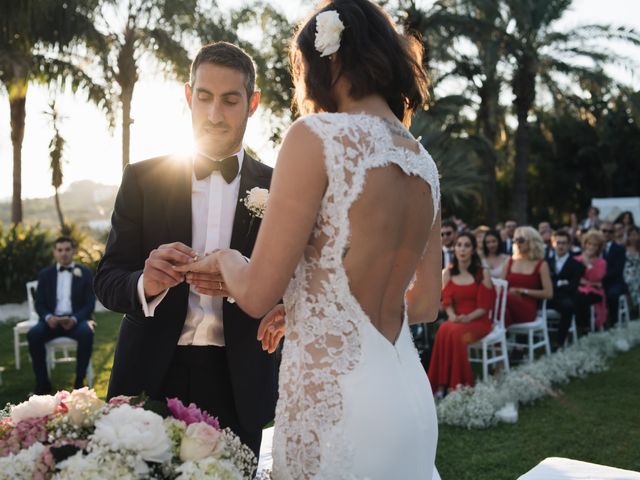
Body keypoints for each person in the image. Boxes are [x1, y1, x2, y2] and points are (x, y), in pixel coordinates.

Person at [175, 1, 442, 478]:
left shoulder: (316, 136)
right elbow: (423, 305)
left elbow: (255, 293)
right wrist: (312, 304)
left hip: (335, 403)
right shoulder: (423, 162)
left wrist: (230, 259)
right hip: (408, 396)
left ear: (329, 60)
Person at [93, 42, 277, 458]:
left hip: (239, 381)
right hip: (149, 374)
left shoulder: (282, 186)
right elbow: (107, 279)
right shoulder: (143, 178)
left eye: (230, 101)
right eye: (204, 98)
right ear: (187, 96)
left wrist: (248, 279)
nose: (214, 114)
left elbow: (297, 288)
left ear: (253, 103)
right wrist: (144, 282)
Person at [428, 232, 494, 396]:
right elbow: (447, 301)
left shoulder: (482, 273)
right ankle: (441, 384)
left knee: (454, 332)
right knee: (444, 328)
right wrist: (451, 315)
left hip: (479, 321)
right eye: (459, 245)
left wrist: (468, 317)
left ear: (473, 250)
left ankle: (457, 387)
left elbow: (485, 306)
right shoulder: (448, 273)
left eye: (467, 245)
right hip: (456, 320)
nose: (462, 249)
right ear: (454, 249)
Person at [28, 236, 95, 394]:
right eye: (60, 250)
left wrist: (74, 319)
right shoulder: (45, 274)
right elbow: (39, 303)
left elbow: (89, 304)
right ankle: (43, 384)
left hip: (75, 322)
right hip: (51, 321)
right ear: (54, 252)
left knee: (87, 333)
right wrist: (48, 317)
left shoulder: (84, 273)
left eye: (67, 249)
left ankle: (79, 382)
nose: (63, 253)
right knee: (33, 335)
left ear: (73, 251)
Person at [501, 226, 553, 327]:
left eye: (521, 240)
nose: (517, 243)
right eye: (515, 240)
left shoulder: (541, 265)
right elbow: (500, 287)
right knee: (502, 314)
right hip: (508, 306)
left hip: (527, 308)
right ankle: (498, 342)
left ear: (532, 242)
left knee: (504, 298)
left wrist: (523, 291)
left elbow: (548, 293)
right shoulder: (510, 261)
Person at [547, 230, 585, 348]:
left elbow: (572, 286)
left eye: (564, 243)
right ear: (553, 244)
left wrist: (555, 284)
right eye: (558, 243)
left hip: (566, 297)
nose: (561, 246)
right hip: (549, 297)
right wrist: (560, 283)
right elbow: (543, 283)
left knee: (568, 307)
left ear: (569, 245)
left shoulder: (576, 264)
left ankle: (559, 341)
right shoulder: (546, 263)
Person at [575, 230, 607, 331]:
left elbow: (596, 277)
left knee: (583, 298)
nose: (592, 247)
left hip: (594, 291)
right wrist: (591, 283)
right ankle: (580, 325)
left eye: (595, 245)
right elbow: (575, 278)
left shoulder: (602, 262)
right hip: (578, 289)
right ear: (585, 244)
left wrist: (588, 263)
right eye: (589, 244)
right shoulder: (576, 259)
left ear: (599, 247)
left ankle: (585, 326)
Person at [600, 222, 627, 325]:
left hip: (614, 282)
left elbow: (617, 270)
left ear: (614, 233)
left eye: (610, 231)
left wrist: (600, 278)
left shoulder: (619, 249)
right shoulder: (594, 248)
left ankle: (614, 322)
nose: (607, 234)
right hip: (596, 282)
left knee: (612, 294)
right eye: (604, 231)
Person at [623, 226, 640, 311]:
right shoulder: (623, 249)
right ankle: (635, 305)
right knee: (631, 280)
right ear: (628, 237)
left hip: (638, 271)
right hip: (627, 272)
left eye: (635, 235)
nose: (633, 237)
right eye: (631, 235)